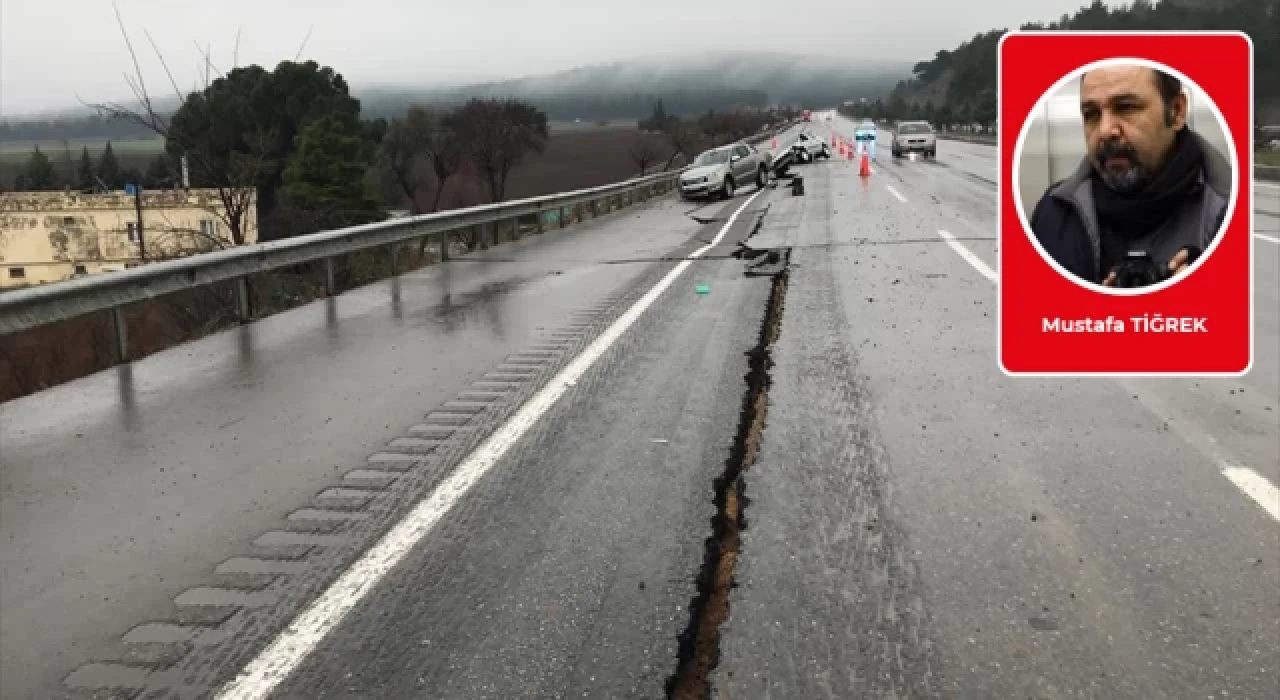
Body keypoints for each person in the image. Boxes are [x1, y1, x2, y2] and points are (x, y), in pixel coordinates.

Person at [1028, 65, 1230, 288]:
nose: (1105, 131)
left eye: (1126, 107)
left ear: (1176, 111)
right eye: (1091, 114)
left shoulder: (1227, 214)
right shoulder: (1053, 214)